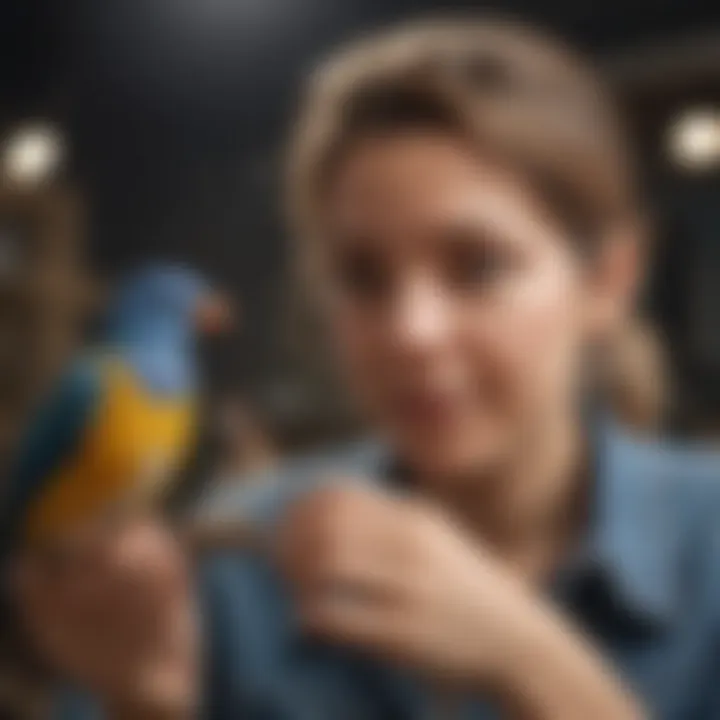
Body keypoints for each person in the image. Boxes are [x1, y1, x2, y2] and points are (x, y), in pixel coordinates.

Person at [12, 17, 720, 720]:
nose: (410, 332)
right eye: (362, 276)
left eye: (480, 266)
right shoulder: (226, 569)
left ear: (609, 279)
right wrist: (147, 700)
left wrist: (530, 659)